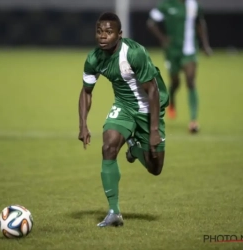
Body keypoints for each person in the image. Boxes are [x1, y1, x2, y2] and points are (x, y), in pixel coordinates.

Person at [78, 12, 169, 227]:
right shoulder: (94, 58)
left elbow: (153, 91)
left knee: (155, 168)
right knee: (108, 146)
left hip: (150, 107)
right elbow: (86, 92)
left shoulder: (134, 53)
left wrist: (154, 130)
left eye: (109, 32)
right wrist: (83, 125)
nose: (103, 36)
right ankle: (114, 212)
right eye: (99, 31)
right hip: (124, 106)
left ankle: (135, 149)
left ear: (119, 34)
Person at [147, 0, 212, 133]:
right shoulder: (166, 5)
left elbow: (200, 23)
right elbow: (151, 23)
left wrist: (205, 45)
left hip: (190, 50)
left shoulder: (194, 5)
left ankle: (193, 121)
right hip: (172, 51)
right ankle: (172, 98)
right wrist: (163, 39)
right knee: (175, 81)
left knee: (190, 80)